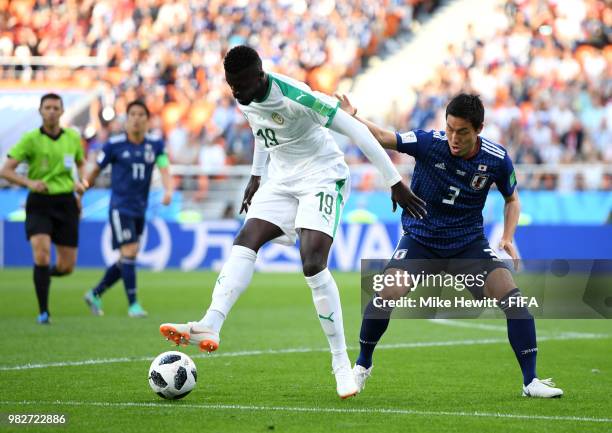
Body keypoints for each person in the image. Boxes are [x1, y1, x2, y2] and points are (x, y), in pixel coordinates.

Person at [159, 45, 426, 399]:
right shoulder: (244, 94)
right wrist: (256, 175)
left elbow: (357, 132)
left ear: (259, 75)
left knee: (312, 262)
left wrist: (394, 181)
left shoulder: (298, 96)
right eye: (231, 85)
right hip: (281, 180)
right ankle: (211, 323)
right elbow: (261, 130)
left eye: (240, 85)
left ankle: (340, 363)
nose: (236, 92)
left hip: (322, 176)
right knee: (246, 239)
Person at [338, 93, 563, 398]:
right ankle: (362, 366)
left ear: (479, 129)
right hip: (421, 239)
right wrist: (352, 117)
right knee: (387, 291)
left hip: (467, 244)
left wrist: (507, 237)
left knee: (513, 298)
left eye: (463, 132)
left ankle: (531, 381)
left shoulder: (496, 159)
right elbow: (381, 136)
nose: (454, 138)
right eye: (450, 129)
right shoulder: (429, 142)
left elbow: (512, 199)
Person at [0, 93, 86, 324]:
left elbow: (81, 163)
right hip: (40, 201)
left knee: (66, 267)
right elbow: (5, 170)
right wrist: (29, 183)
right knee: (42, 253)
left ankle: (43, 277)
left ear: (62, 111)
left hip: (67, 202)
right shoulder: (30, 139)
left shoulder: (72, 137)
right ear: (40, 111)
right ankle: (43, 311)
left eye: (55, 107)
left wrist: (82, 183)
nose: (51, 111)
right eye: (47, 107)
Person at [82, 101, 173, 318]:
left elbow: (164, 167)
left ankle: (95, 293)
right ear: (127, 118)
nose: (137, 118)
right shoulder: (114, 145)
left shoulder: (155, 144)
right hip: (120, 207)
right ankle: (133, 305)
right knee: (130, 251)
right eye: (132, 114)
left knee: (127, 257)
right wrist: (83, 187)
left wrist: (168, 190)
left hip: (140, 208)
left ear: (147, 119)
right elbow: (96, 169)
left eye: (141, 114)